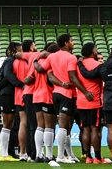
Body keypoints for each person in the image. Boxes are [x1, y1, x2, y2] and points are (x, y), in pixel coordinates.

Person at [36, 34, 86, 164]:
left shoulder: (52, 56)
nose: (73, 43)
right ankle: (60, 156)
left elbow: (41, 69)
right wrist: (85, 92)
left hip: (56, 93)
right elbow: (72, 77)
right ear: (65, 43)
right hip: (67, 94)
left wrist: (35, 60)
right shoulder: (71, 57)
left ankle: (70, 154)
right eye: (71, 41)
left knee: (67, 126)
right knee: (63, 126)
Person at [76, 42, 106, 164]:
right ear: (93, 51)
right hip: (94, 101)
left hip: (81, 101)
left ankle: (88, 156)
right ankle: (97, 157)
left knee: (85, 129)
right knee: (95, 129)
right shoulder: (99, 65)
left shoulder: (78, 65)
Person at [0, 41, 24, 162]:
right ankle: (3, 154)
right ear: (14, 51)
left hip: (6, 94)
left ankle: (2, 153)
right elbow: (8, 75)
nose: (22, 52)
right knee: (7, 125)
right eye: (20, 50)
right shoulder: (10, 61)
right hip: (7, 95)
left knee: (9, 125)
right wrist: (20, 84)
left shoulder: (10, 61)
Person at [32, 43, 59, 162]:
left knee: (40, 125)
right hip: (48, 95)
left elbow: (30, 78)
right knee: (49, 126)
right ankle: (48, 155)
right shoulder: (51, 62)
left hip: (36, 95)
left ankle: (39, 155)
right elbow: (51, 79)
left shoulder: (37, 62)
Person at [13, 40, 37, 161]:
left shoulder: (15, 62)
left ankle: (23, 152)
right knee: (31, 124)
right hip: (30, 92)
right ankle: (32, 151)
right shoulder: (31, 59)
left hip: (18, 94)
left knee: (23, 123)